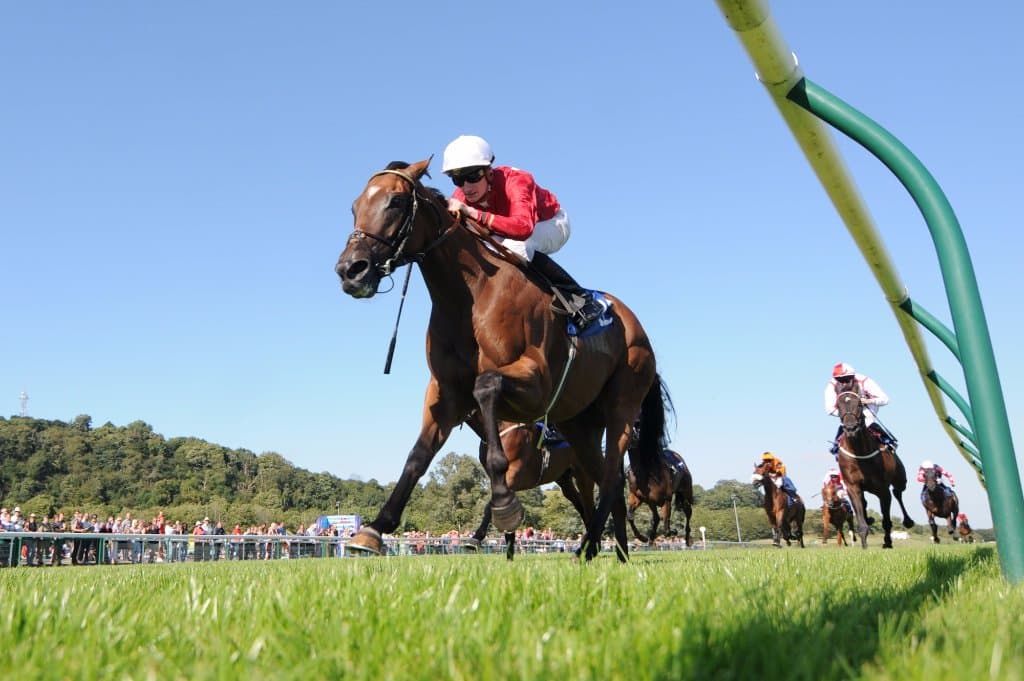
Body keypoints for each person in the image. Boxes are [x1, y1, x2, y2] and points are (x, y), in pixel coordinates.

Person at [442, 134, 606, 332]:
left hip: (551, 224)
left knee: (517, 245)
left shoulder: (518, 180)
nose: (467, 187)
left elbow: (522, 228)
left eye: (473, 176)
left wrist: (473, 213)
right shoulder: (460, 195)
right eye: (458, 179)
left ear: (488, 172)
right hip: (507, 232)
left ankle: (580, 298)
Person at [824, 362, 897, 455]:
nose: (844, 383)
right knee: (848, 423)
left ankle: (888, 442)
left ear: (853, 376)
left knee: (867, 422)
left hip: (867, 406)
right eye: (840, 380)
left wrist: (869, 401)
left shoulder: (864, 380)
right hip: (845, 410)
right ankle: (836, 446)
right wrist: (847, 413)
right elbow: (829, 409)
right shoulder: (832, 385)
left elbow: (885, 399)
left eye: (846, 379)